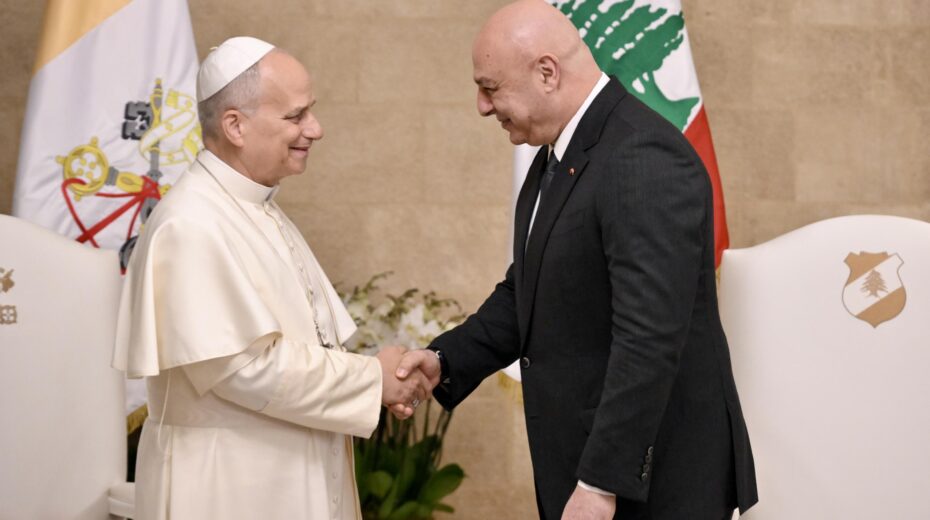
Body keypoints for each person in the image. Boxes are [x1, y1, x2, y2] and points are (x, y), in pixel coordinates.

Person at [395, 2, 758, 519]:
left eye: (490, 86)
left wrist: (600, 483)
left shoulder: (642, 157)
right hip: (599, 471)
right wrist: (444, 360)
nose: (481, 105)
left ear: (547, 72)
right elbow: (532, 290)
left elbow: (648, 338)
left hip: (653, 486)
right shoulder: (562, 153)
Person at [113, 37, 428, 520]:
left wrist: (378, 377)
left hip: (282, 472)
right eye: (296, 116)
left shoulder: (255, 206)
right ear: (236, 125)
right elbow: (245, 369)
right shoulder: (191, 224)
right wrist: (372, 379)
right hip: (230, 487)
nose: (315, 129)